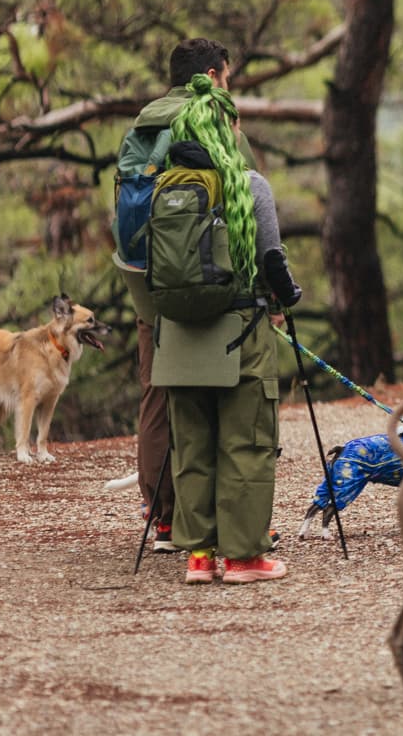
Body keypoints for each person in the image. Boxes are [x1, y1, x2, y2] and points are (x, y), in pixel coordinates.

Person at [155, 74, 301, 584]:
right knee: (246, 441)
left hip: (176, 335)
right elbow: (271, 258)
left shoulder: (163, 189)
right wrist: (288, 298)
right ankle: (243, 558)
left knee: (191, 444)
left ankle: (199, 558)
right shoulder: (248, 185)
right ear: (227, 130)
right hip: (240, 329)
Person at [112, 38, 256, 554]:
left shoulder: (142, 123)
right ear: (215, 75)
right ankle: (221, 522)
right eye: (229, 78)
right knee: (218, 395)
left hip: (142, 271)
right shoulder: (214, 116)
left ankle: (163, 516)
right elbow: (249, 197)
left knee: (157, 389)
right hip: (202, 273)